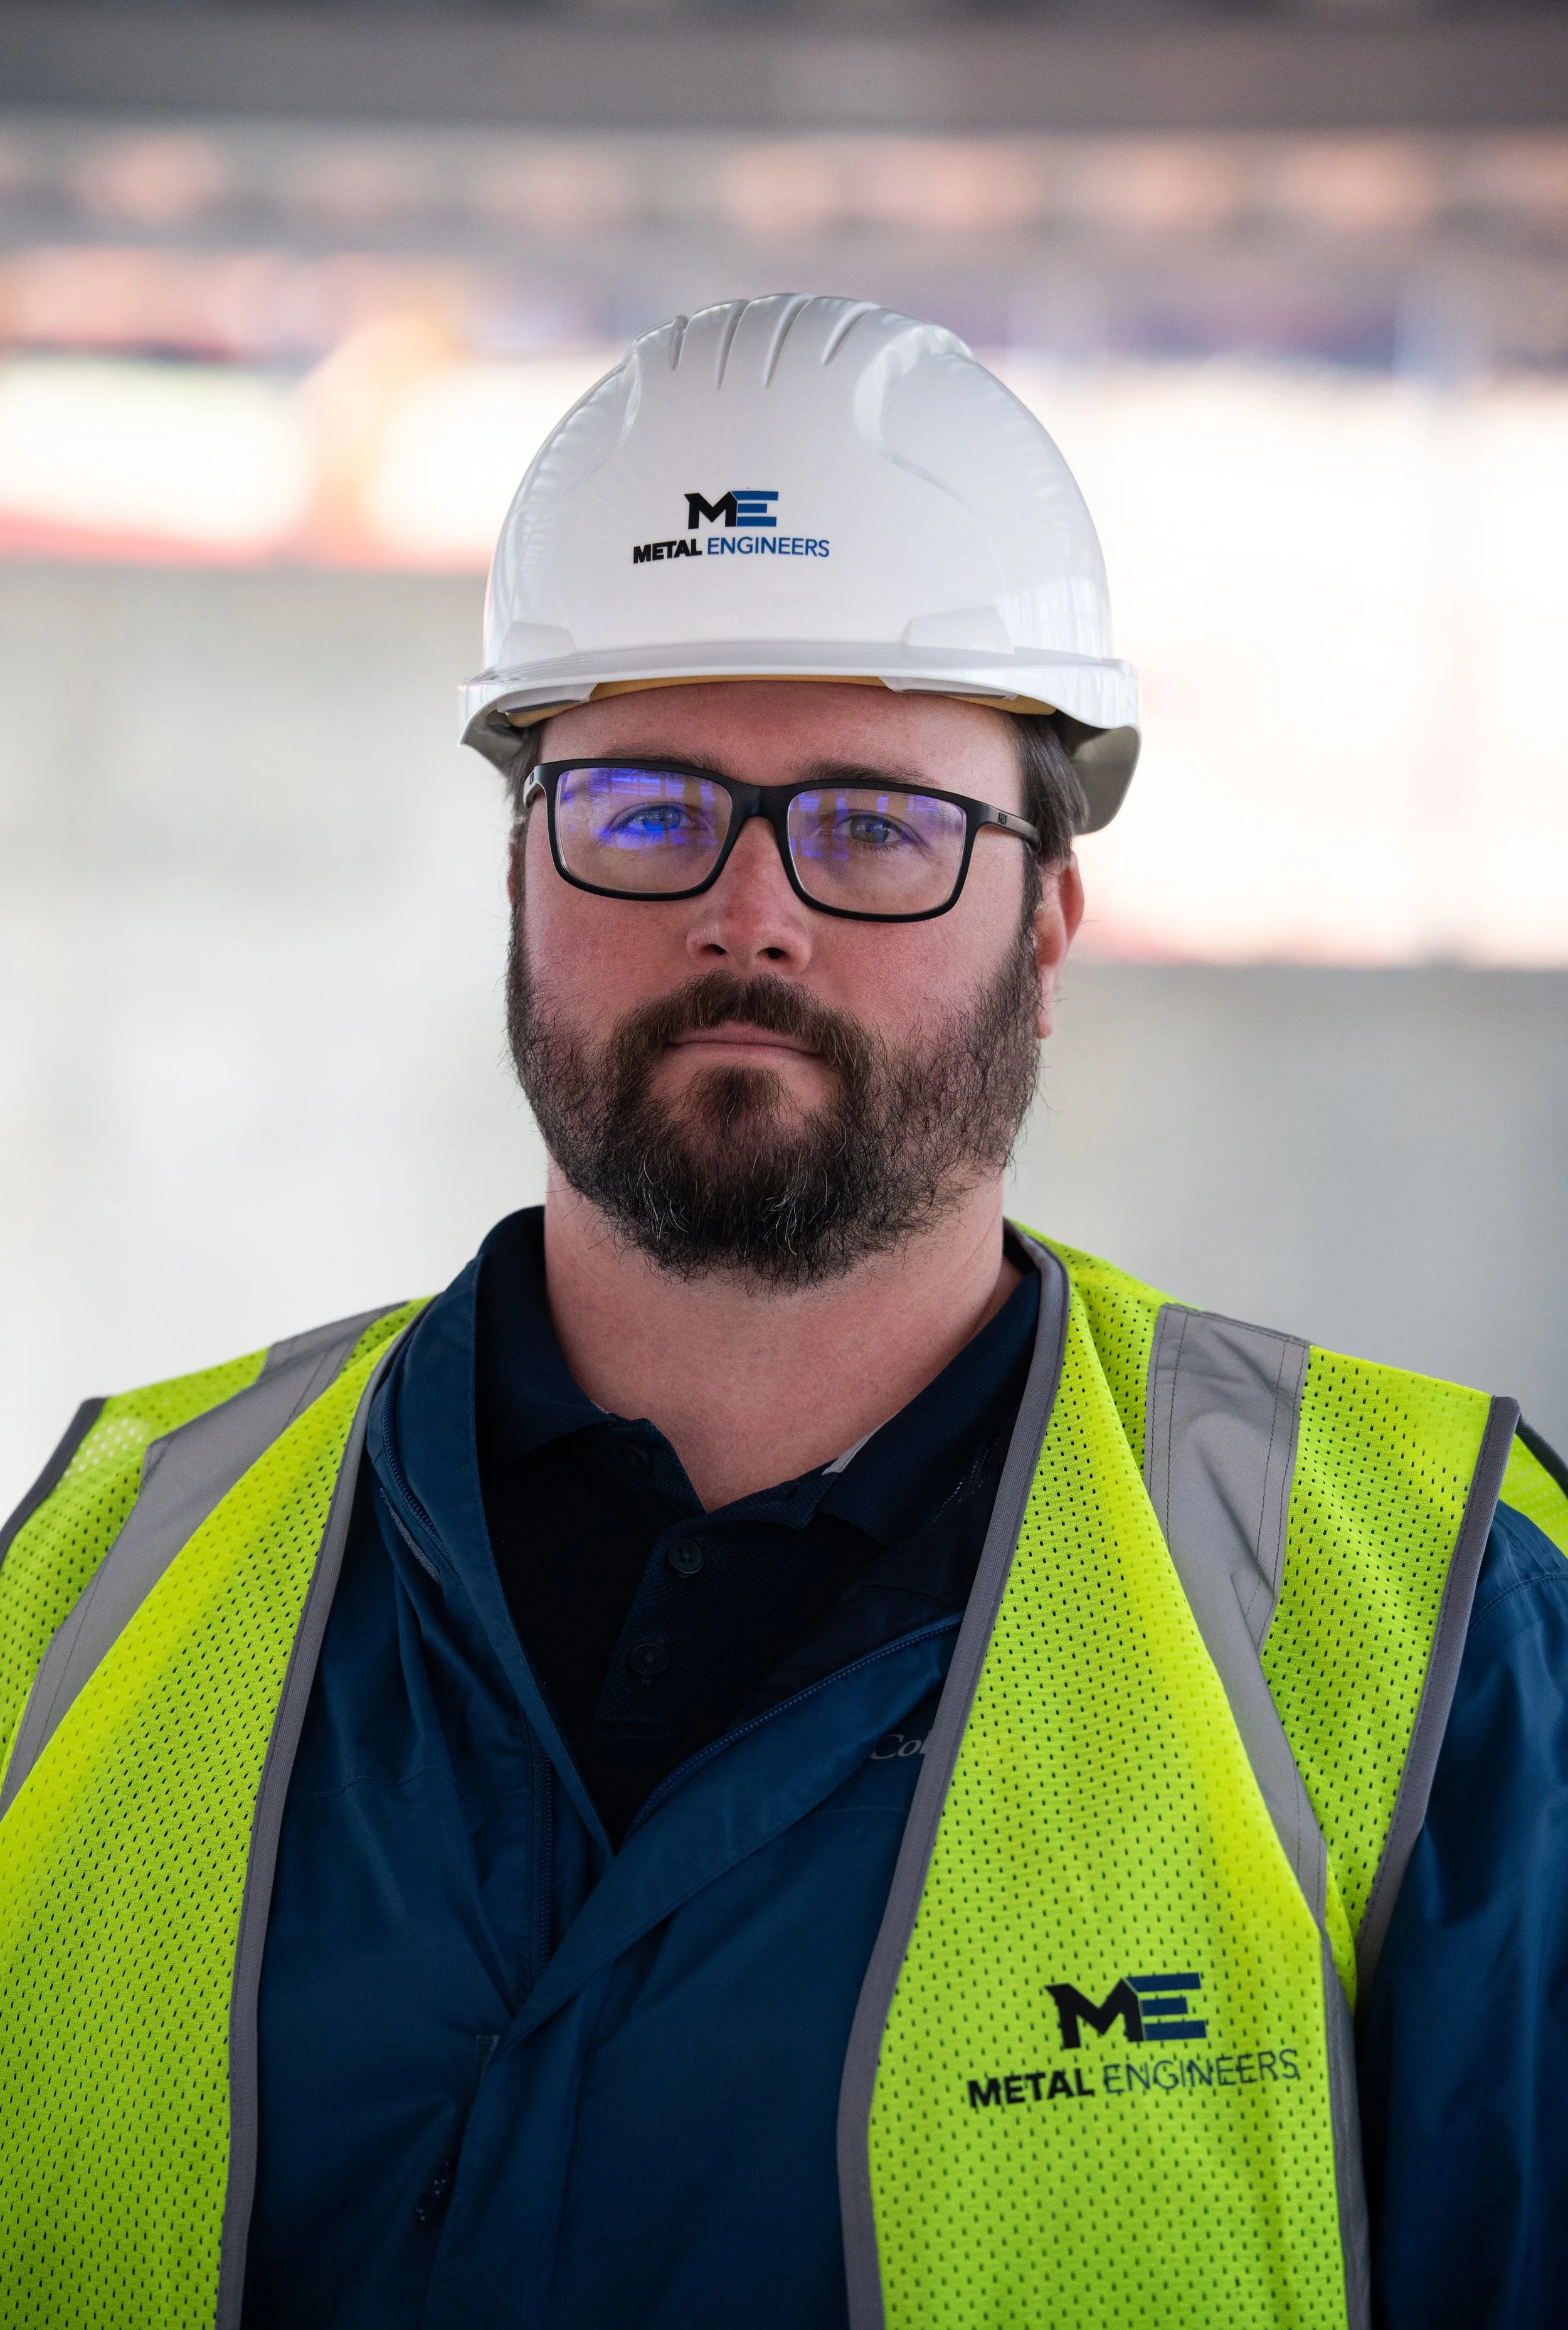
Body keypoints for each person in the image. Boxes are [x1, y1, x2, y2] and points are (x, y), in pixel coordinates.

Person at [0, 294, 1563, 2330]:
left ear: (1049, 917)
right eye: (643, 810)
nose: (749, 909)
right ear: (518, 877)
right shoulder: (107, 1565)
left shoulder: (1429, 1622)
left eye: (875, 824)